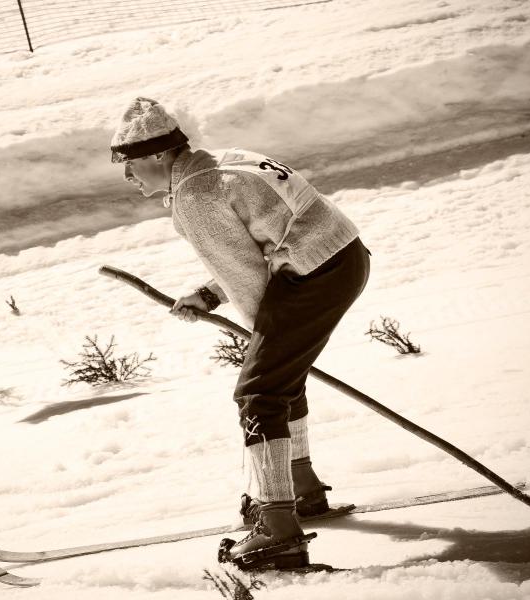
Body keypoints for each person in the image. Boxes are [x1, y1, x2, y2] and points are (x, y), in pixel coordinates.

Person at [110, 97, 371, 569]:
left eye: (128, 164)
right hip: (342, 255)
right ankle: (300, 488)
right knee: (278, 379)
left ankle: (279, 528)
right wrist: (210, 295)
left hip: (314, 272)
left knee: (259, 393)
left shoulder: (194, 196)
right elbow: (260, 244)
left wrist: (262, 348)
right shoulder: (221, 161)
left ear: (156, 156)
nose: (127, 177)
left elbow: (250, 281)